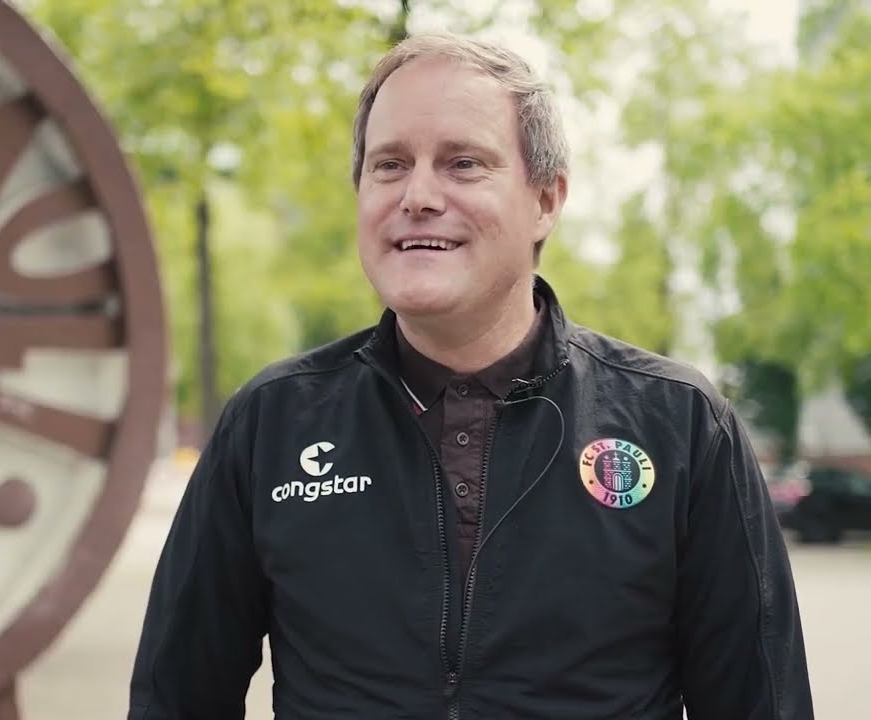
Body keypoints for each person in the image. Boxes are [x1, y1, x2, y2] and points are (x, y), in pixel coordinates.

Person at [128, 31, 812, 720]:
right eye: (390, 165)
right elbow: (175, 699)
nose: (418, 195)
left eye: (463, 163)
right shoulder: (271, 424)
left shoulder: (681, 425)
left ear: (546, 200)